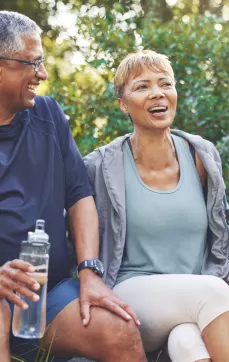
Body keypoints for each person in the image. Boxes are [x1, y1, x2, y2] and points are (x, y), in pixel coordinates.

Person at [84, 49, 229, 362]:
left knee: (188, 343)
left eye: (165, 84)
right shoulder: (100, 167)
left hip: (193, 300)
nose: (157, 93)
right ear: (123, 103)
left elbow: (219, 231)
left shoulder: (201, 156)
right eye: (142, 86)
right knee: (213, 292)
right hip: (130, 295)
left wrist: (228, 274)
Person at [0, 11, 146, 362]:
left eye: (43, 63)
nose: (43, 74)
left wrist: (89, 272)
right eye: (32, 64)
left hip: (47, 295)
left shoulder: (48, 115)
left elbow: (79, 196)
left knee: (119, 331)